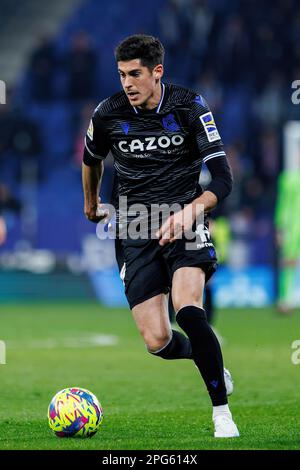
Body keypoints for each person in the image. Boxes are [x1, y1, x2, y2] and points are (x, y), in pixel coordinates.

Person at [82, 34, 239, 438]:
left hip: (184, 221)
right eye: (121, 75)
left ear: (157, 72)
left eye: (135, 73)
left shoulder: (190, 106)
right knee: (157, 341)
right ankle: (209, 359)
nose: (128, 83)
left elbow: (223, 178)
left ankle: (222, 414)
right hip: (134, 227)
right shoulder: (108, 114)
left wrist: (191, 210)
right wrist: (91, 201)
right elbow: (91, 158)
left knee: (189, 309)